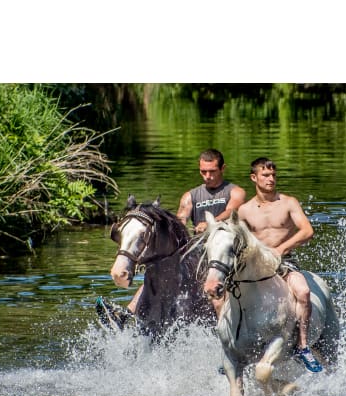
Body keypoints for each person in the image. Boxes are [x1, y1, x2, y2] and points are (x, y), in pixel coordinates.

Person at [97, 149, 245, 329]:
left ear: (223, 168)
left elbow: (231, 212)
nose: (207, 176)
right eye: (203, 172)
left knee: (216, 292)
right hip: (197, 251)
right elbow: (180, 219)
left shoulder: (235, 192)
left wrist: (211, 224)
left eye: (212, 171)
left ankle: (225, 329)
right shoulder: (190, 196)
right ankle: (126, 314)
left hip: (222, 251)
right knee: (156, 269)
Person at [236, 157, 323, 373]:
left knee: (303, 292)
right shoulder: (244, 211)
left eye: (274, 174)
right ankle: (232, 348)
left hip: (285, 262)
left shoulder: (288, 203)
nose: (271, 178)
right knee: (223, 294)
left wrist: (281, 249)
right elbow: (238, 241)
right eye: (266, 175)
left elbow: (307, 231)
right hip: (256, 266)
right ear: (254, 178)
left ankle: (302, 346)